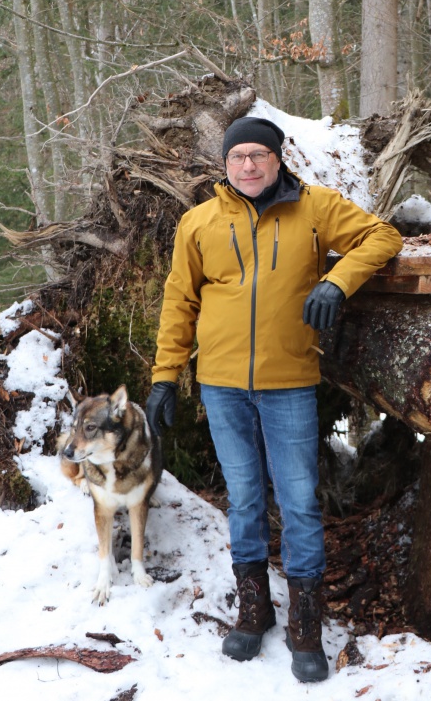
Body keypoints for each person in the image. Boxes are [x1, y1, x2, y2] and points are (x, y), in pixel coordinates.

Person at [145, 116, 403, 682]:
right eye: (238, 158)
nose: (249, 166)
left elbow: (382, 237)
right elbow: (179, 300)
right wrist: (166, 376)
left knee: (300, 501)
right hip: (221, 383)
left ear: (278, 158)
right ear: (225, 164)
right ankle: (254, 608)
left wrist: (336, 282)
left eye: (259, 155)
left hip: (289, 381)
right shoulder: (199, 222)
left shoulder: (313, 208)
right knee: (242, 499)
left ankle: (306, 623)